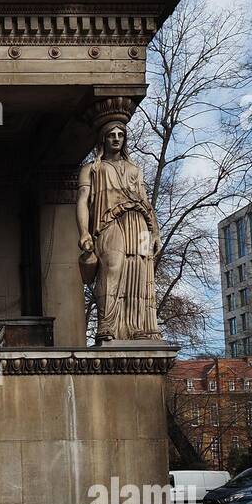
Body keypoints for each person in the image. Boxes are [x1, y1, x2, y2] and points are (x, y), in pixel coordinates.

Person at [76, 119, 161, 342]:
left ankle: (136, 327)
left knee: (139, 272)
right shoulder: (92, 169)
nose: (116, 138)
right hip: (107, 223)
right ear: (103, 139)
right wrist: (84, 231)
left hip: (140, 224)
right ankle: (107, 325)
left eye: (120, 135)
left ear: (124, 140)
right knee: (111, 268)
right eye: (111, 134)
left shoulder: (135, 169)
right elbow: (83, 201)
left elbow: (144, 200)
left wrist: (156, 232)